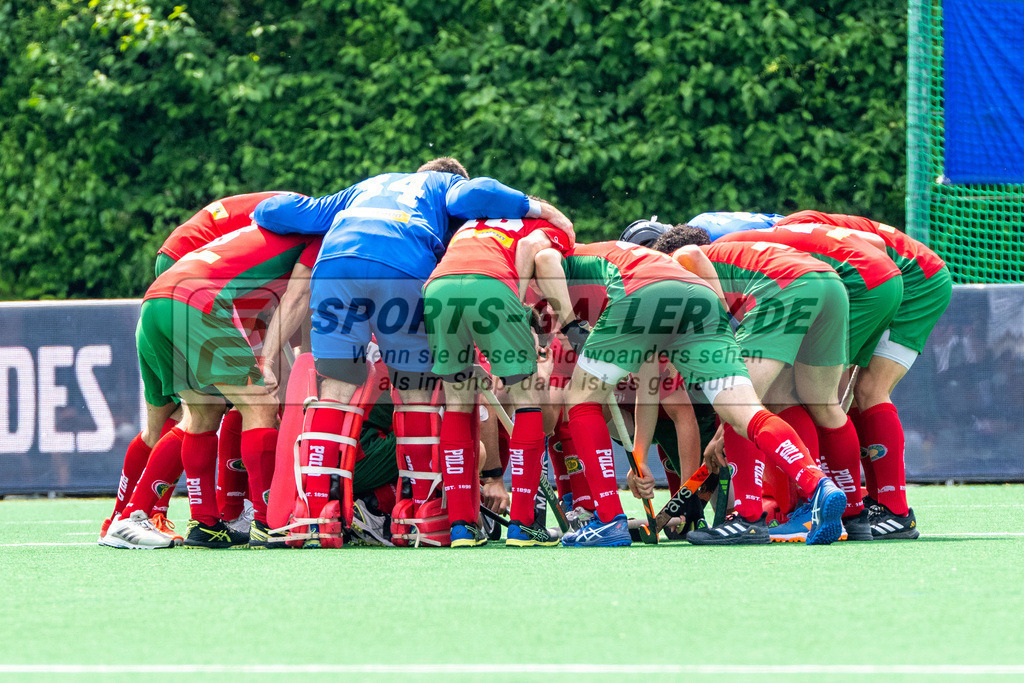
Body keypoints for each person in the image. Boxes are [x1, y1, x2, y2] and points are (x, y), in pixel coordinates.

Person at [250, 158, 573, 543]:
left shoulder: (362, 189)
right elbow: (480, 192)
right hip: (402, 267)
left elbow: (277, 211)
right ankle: (418, 511)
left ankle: (317, 511)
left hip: (336, 267)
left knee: (335, 391)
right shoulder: (442, 186)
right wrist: (543, 208)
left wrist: (255, 210)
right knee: (415, 392)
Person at [547, 239, 847, 546]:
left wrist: (572, 328)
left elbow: (545, 257)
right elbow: (649, 385)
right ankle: (818, 484)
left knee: (582, 398)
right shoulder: (637, 263)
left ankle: (608, 521)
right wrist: (639, 460)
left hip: (650, 293)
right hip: (703, 301)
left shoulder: (552, 249)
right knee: (746, 411)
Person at [101, 224, 320, 549]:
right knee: (259, 404)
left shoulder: (281, 227)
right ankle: (268, 523)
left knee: (201, 412)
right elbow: (297, 299)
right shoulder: (321, 235)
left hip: (159, 297)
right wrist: (271, 364)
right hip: (197, 301)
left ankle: (198, 523)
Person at [647, 224, 860, 541]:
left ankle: (749, 517)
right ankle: (851, 516)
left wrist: (722, 335)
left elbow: (689, 254)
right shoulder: (733, 260)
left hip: (785, 288)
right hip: (829, 284)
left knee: (737, 404)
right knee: (807, 401)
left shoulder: (679, 260)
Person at [715, 223, 904, 533]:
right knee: (821, 400)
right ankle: (854, 516)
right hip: (851, 282)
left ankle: (761, 516)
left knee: (747, 401)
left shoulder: (683, 258)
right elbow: (873, 243)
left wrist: (722, 431)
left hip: (826, 284)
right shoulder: (756, 235)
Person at [776, 210, 953, 538]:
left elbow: (872, 247)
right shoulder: (785, 229)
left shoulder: (782, 237)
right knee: (852, 391)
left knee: (858, 389)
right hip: (910, 276)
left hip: (911, 281)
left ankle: (891, 510)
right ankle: (877, 503)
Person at [423, 217, 573, 547]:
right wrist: (492, 476)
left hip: (438, 288)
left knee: (458, 404)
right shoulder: (545, 228)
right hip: (491, 287)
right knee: (525, 401)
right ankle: (522, 524)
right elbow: (531, 248)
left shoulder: (472, 226)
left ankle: (462, 527)